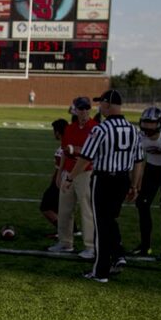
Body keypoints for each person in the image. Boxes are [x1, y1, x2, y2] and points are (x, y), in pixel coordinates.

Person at [63, 89, 144, 283]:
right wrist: (135, 185)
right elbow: (139, 161)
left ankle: (100, 271)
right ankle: (118, 256)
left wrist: (70, 178)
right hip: (123, 179)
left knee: (101, 226)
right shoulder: (134, 130)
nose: (99, 107)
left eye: (102, 103)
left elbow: (85, 158)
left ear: (108, 104)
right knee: (110, 220)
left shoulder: (100, 129)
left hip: (104, 180)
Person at [49, 97, 96, 258]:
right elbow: (63, 151)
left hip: (85, 173)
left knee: (86, 210)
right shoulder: (70, 128)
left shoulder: (95, 128)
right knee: (64, 210)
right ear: (75, 110)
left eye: (86, 108)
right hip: (68, 173)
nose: (84, 112)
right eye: (81, 109)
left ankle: (90, 246)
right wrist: (60, 172)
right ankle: (65, 242)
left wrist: (75, 149)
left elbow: (90, 154)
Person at [132, 107, 161, 261]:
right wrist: (136, 185)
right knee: (142, 204)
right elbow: (140, 162)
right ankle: (145, 246)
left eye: (152, 123)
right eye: (145, 122)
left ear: (160, 123)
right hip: (151, 170)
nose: (148, 127)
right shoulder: (139, 137)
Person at [41, 119, 69, 236]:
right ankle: (74, 229)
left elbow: (59, 170)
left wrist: (54, 182)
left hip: (61, 182)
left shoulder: (62, 149)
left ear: (58, 132)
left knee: (46, 207)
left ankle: (63, 231)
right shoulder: (70, 144)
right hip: (72, 181)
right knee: (62, 207)